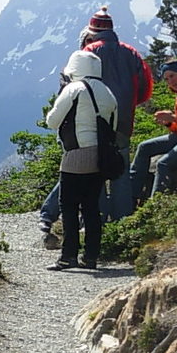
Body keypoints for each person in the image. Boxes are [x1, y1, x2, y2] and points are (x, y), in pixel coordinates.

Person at [39, 6, 154, 237]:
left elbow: (68, 88)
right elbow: (146, 89)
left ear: (92, 32)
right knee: (119, 170)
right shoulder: (131, 53)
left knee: (90, 171)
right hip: (122, 122)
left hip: (89, 125)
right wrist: (126, 105)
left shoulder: (87, 54)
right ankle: (123, 228)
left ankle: (94, 227)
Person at [45, 50, 118, 270]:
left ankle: (68, 256)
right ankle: (91, 257)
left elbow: (52, 121)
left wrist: (62, 90)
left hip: (76, 155)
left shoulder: (74, 89)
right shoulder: (108, 93)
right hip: (100, 157)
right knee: (91, 207)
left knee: (68, 205)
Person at [129, 59, 177, 200]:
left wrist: (172, 117)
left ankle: (154, 204)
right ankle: (131, 195)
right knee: (144, 147)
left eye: (172, 76)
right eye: (166, 79)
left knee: (163, 163)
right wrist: (168, 123)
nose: (170, 81)